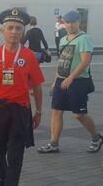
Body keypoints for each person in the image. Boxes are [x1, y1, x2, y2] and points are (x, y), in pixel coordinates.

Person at [0, 8, 44, 186]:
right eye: (11, 28)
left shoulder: (29, 56)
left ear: (23, 32)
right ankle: (3, 178)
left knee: (15, 155)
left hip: (20, 111)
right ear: (2, 31)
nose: (14, 32)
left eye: (18, 29)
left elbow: (37, 86)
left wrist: (38, 112)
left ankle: (10, 183)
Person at [37, 10, 103, 154]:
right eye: (68, 22)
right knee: (56, 112)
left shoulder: (84, 39)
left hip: (78, 81)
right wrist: (55, 81)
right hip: (62, 80)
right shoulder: (63, 40)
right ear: (64, 23)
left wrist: (71, 77)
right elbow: (62, 62)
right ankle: (54, 144)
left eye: (74, 22)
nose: (71, 25)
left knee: (79, 114)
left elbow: (86, 61)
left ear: (79, 22)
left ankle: (96, 137)